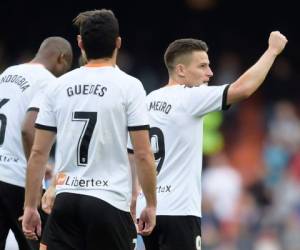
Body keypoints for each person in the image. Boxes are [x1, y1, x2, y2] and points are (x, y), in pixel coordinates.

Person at [128, 31, 287, 250]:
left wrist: (136, 199)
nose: (210, 73)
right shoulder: (190, 97)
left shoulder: (147, 100)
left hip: (147, 212)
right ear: (181, 70)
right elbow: (243, 88)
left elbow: (134, 155)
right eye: (202, 66)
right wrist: (272, 51)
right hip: (180, 213)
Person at [22, 9, 157, 250]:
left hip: (65, 201)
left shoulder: (58, 86)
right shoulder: (130, 86)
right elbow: (144, 154)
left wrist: (30, 207)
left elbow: (38, 154)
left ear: (80, 43)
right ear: (118, 43)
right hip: (109, 203)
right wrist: (151, 205)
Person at [0, 36, 73, 250]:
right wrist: (37, 167)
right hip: (18, 181)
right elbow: (27, 129)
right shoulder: (49, 81)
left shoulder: (7, 73)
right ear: (61, 58)